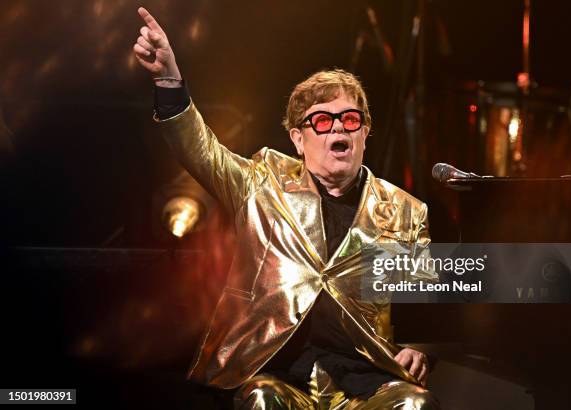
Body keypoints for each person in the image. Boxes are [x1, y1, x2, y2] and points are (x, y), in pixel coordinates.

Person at [133, 7, 440, 409]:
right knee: (263, 400)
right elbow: (202, 153)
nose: (338, 128)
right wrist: (169, 81)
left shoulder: (405, 210)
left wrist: (421, 346)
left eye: (350, 119)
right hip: (279, 373)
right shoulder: (263, 182)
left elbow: (430, 303)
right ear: (297, 138)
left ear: (366, 131)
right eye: (322, 121)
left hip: (367, 381)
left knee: (415, 404)